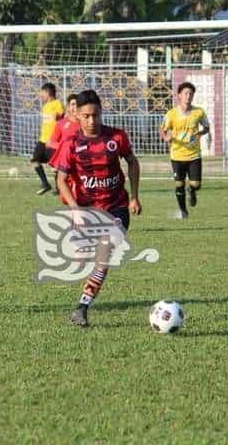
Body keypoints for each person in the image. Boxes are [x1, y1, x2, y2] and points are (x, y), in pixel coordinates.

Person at [52, 89, 142, 327]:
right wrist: (74, 209)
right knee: (82, 258)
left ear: (101, 113)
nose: (92, 121)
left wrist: (134, 197)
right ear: (77, 116)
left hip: (116, 206)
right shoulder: (70, 144)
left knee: (105, 253)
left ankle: (82, 308)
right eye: (87, 116)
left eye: (96, 115)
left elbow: (132, 161)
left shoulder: (116, 138)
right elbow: (60, 179)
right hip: (86, 210)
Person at [160, 82, 211, 219]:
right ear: (179, 96)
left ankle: (193, 191)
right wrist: (166, 137)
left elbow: (207, 127)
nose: (188, 96)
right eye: (186, 93)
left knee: (196, 184)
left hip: (194, 155)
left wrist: (199, 134)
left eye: (191, 94)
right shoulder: (172, 114)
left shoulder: (199, 112)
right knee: (179, 184)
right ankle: (183, 211)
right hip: (177, 154)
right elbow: (163, 129)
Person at [31, 82, 64, 195]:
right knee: (35, 160)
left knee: (55, 166)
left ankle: (59, 188)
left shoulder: (57, 103)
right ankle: (45, 184)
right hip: (43, 140)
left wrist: (58, 116)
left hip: (53, 141)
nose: (41, 95)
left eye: (42, 93)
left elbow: (61, 114)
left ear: (48, 93)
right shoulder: (45, 106)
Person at [47, 93, 79, 195]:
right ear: (68, 107)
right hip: (66, 163)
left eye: (78, 104)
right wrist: (64, 147)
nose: (75, 107)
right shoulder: (61, 123)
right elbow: (50, 142)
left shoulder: (86, 123)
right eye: (73, 104)